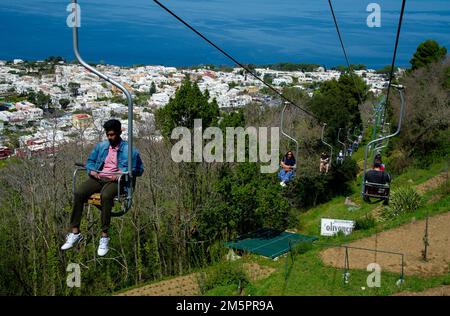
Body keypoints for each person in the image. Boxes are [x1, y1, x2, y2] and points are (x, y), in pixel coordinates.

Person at [61, 119, 144, 256]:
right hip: (100, 177)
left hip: (116, 182)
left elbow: (138, 169)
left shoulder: (130, 151)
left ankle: (104, 236)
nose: (110, 138)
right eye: (108, 135)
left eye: (112, 135)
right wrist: (92, 170)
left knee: (105, 196)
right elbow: (91, 161)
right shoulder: (102, 147)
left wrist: (121, 174)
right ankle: (75, 232)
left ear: (119, 132)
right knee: (79, 192)